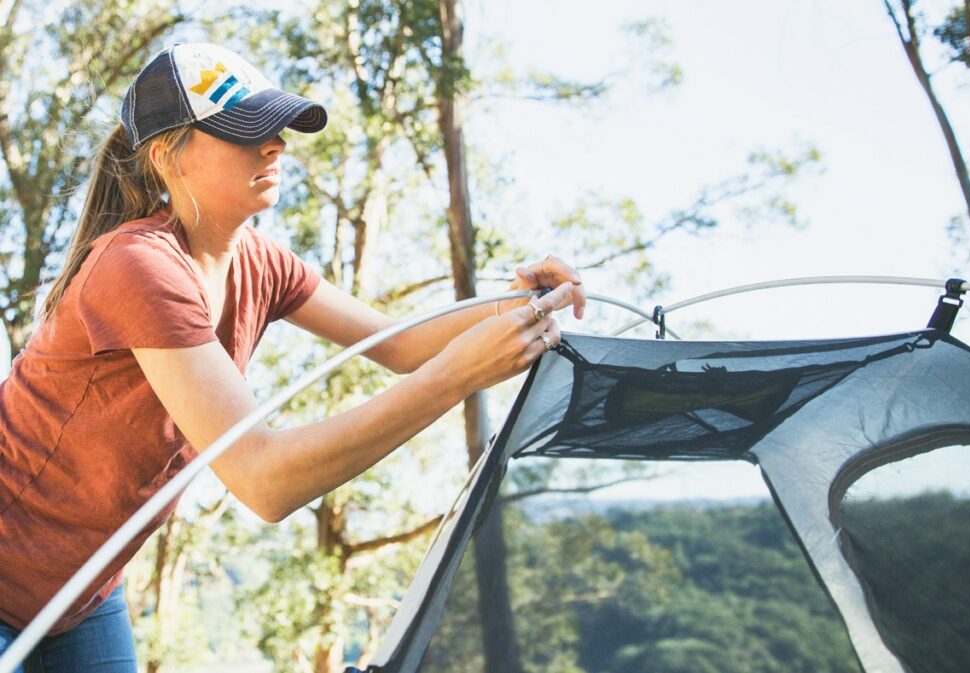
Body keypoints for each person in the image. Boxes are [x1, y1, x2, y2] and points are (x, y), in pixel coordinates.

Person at [0, 43, 586, 671]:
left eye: (273, 126)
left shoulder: (258, 260)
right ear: (167, 157)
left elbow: (399, 342)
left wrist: (515, 305)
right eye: (242, 132)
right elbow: (265, 480)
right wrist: (459, 376)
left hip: (83, 593)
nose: (274, 145)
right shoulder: (136, 264)